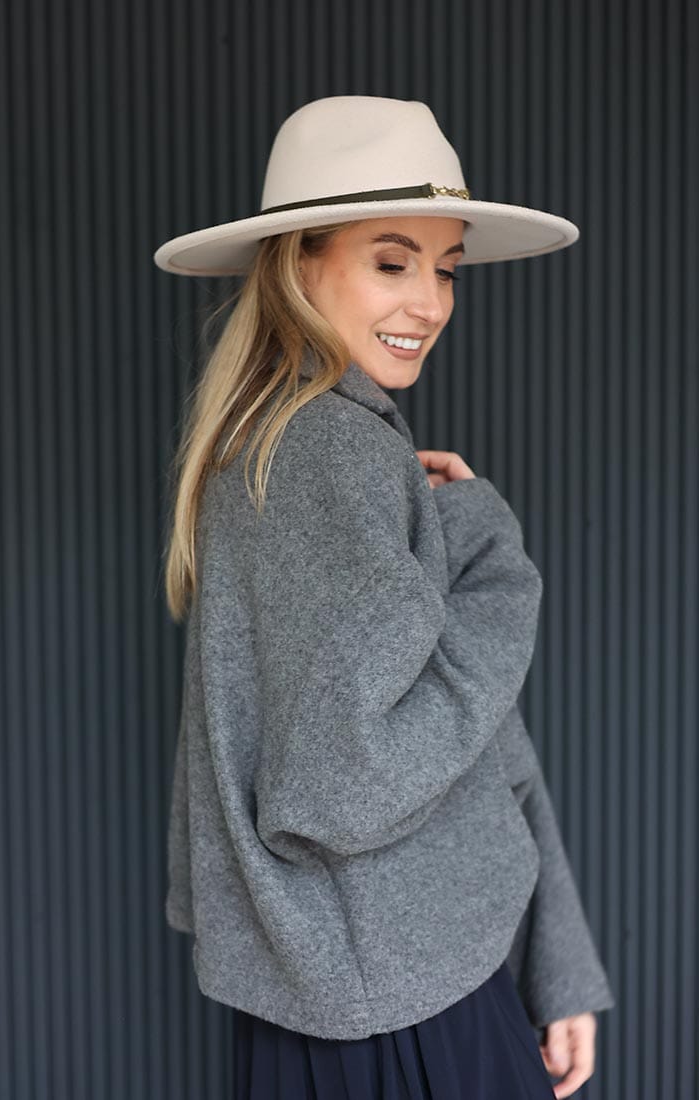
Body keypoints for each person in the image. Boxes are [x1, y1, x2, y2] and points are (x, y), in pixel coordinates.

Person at [154, 96, 615, 1100]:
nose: (431, 304)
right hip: (397, 1012)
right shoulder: (327, 451)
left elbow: (476, 741)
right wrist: (487, 551)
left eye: (445, 269)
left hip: (378, 986)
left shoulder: (304, 441)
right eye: (392, 261)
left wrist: (558, 962)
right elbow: (347, 782)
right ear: (298, 264)